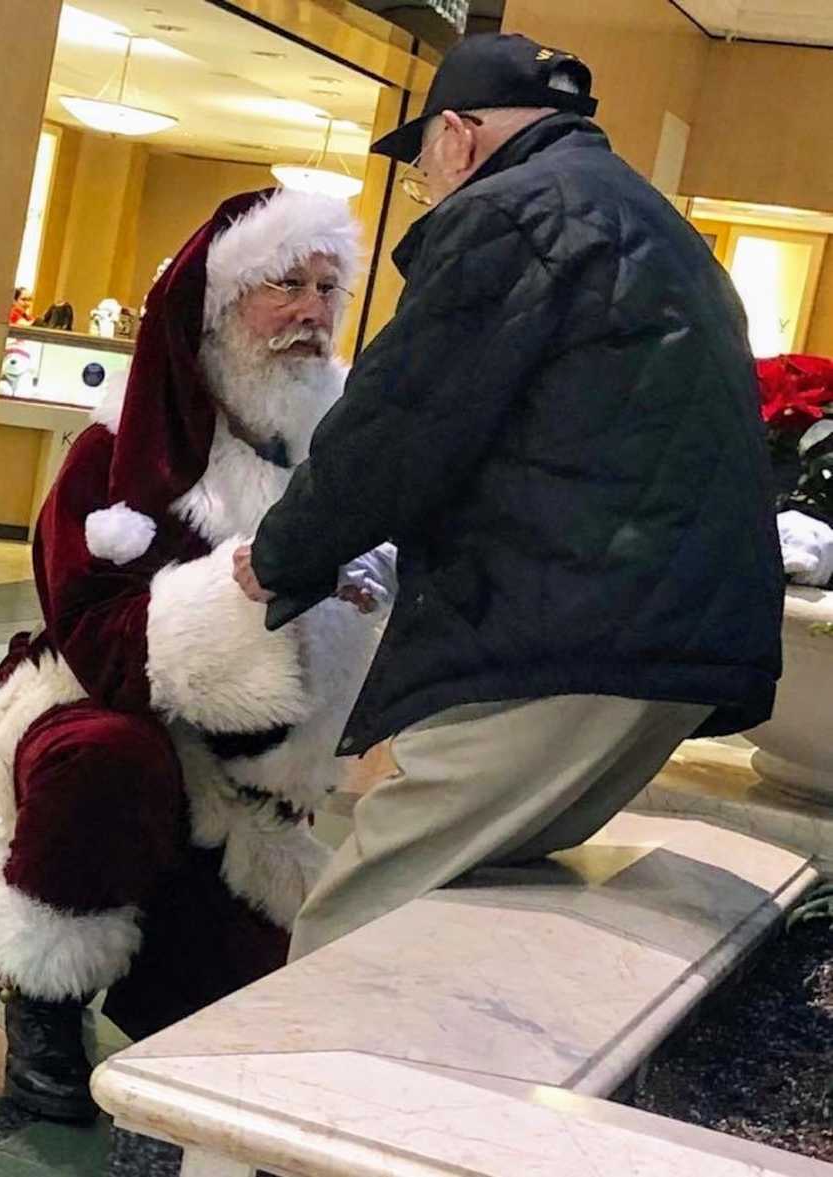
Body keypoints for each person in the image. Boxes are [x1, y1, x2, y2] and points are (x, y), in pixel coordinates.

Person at [233, 33, 785, 961]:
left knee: (351, 927)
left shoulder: (510, 215)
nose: (431, 186)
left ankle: (258, 1103)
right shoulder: (650, 221)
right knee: (476, 894)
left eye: (422, 170)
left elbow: (402, 422)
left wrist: (284, 555)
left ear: (457, 133)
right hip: (678, 631)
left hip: (572, 628)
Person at [0, 188, 393, 1121]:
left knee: (242, 1031)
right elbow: (99, 640)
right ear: (218, 302)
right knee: (110, 759)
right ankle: (45, 995)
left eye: (329, 287)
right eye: (286, 283)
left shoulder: (338, 460)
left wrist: (361, 599)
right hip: (96, 725)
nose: (314, 313)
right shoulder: (112, 456)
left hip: (246, 789)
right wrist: (241, 584)